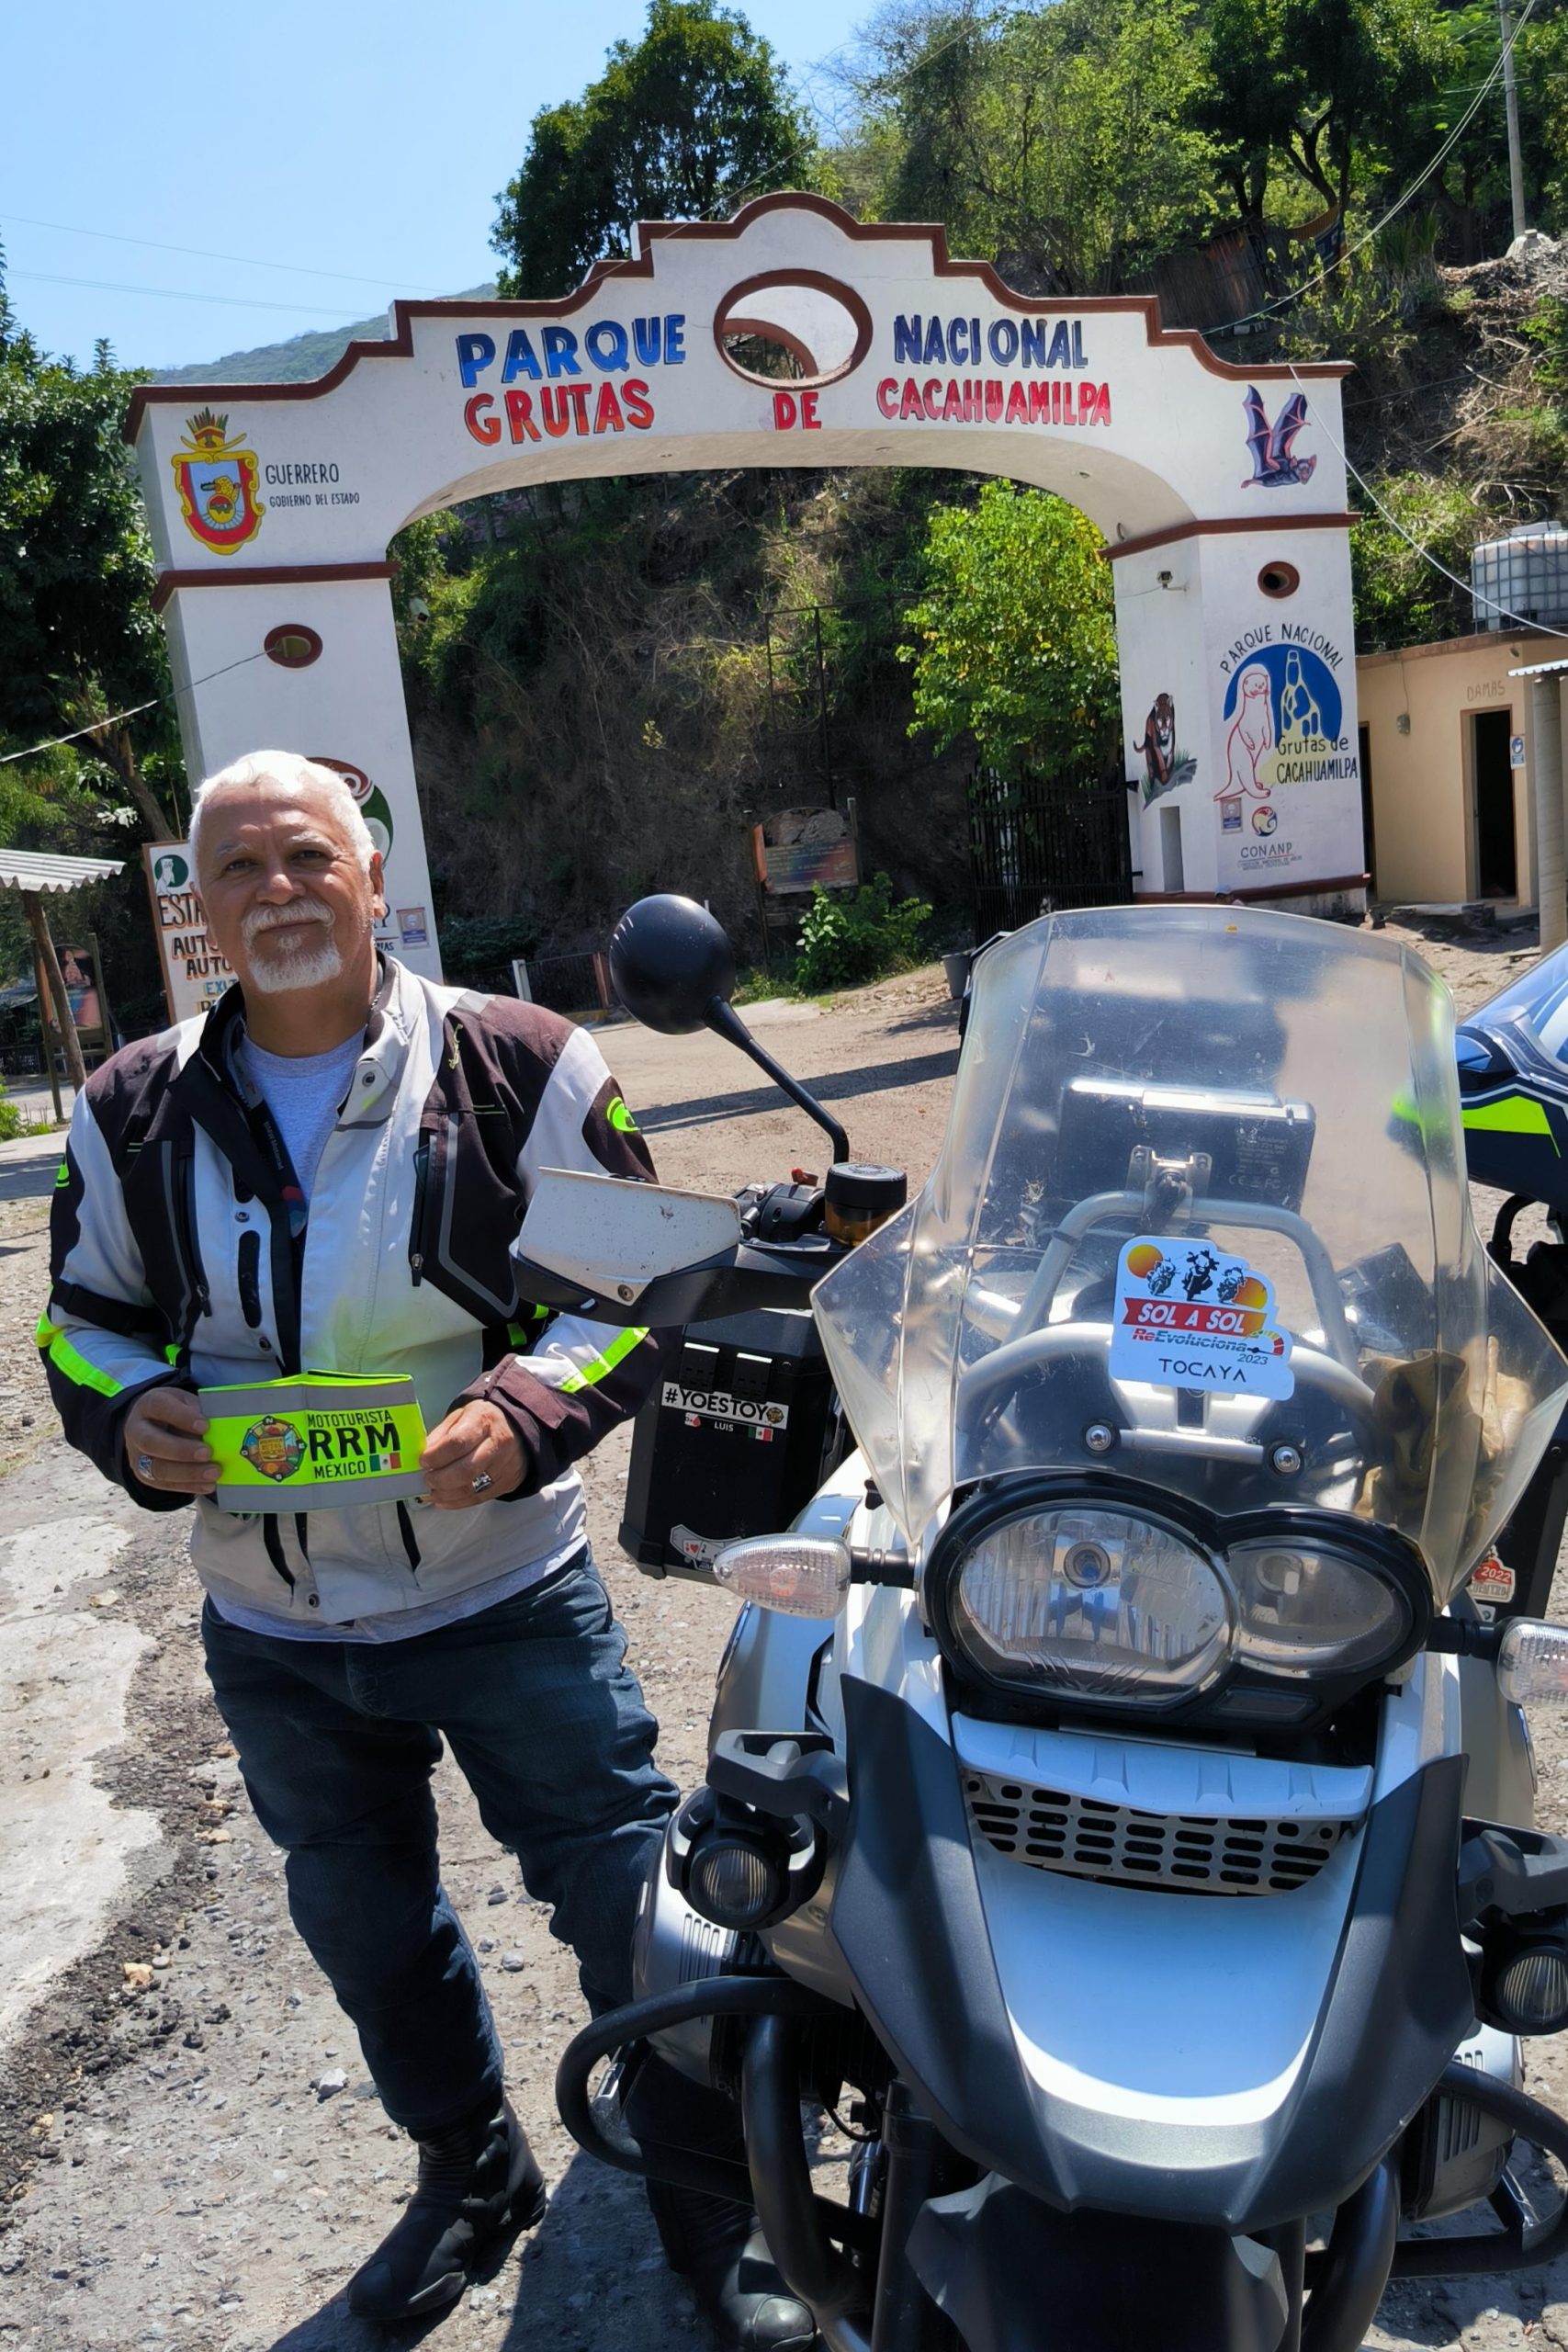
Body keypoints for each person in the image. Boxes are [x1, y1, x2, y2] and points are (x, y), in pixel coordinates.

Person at [38, 752, 813, 2348]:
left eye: (307, 856)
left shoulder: (522, 1062)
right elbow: (85, 1326)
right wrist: (133, 1421)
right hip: (276, 1625)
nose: (276, 891)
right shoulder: (130, 1110)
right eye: (236, 869)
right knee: (367, 1926)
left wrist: (525, 1410)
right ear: (198, 912)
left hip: (501, 1589)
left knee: (628, 1904)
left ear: (374, 876)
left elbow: (634, 1299)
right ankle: (470, 2177)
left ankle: (709, 2204)